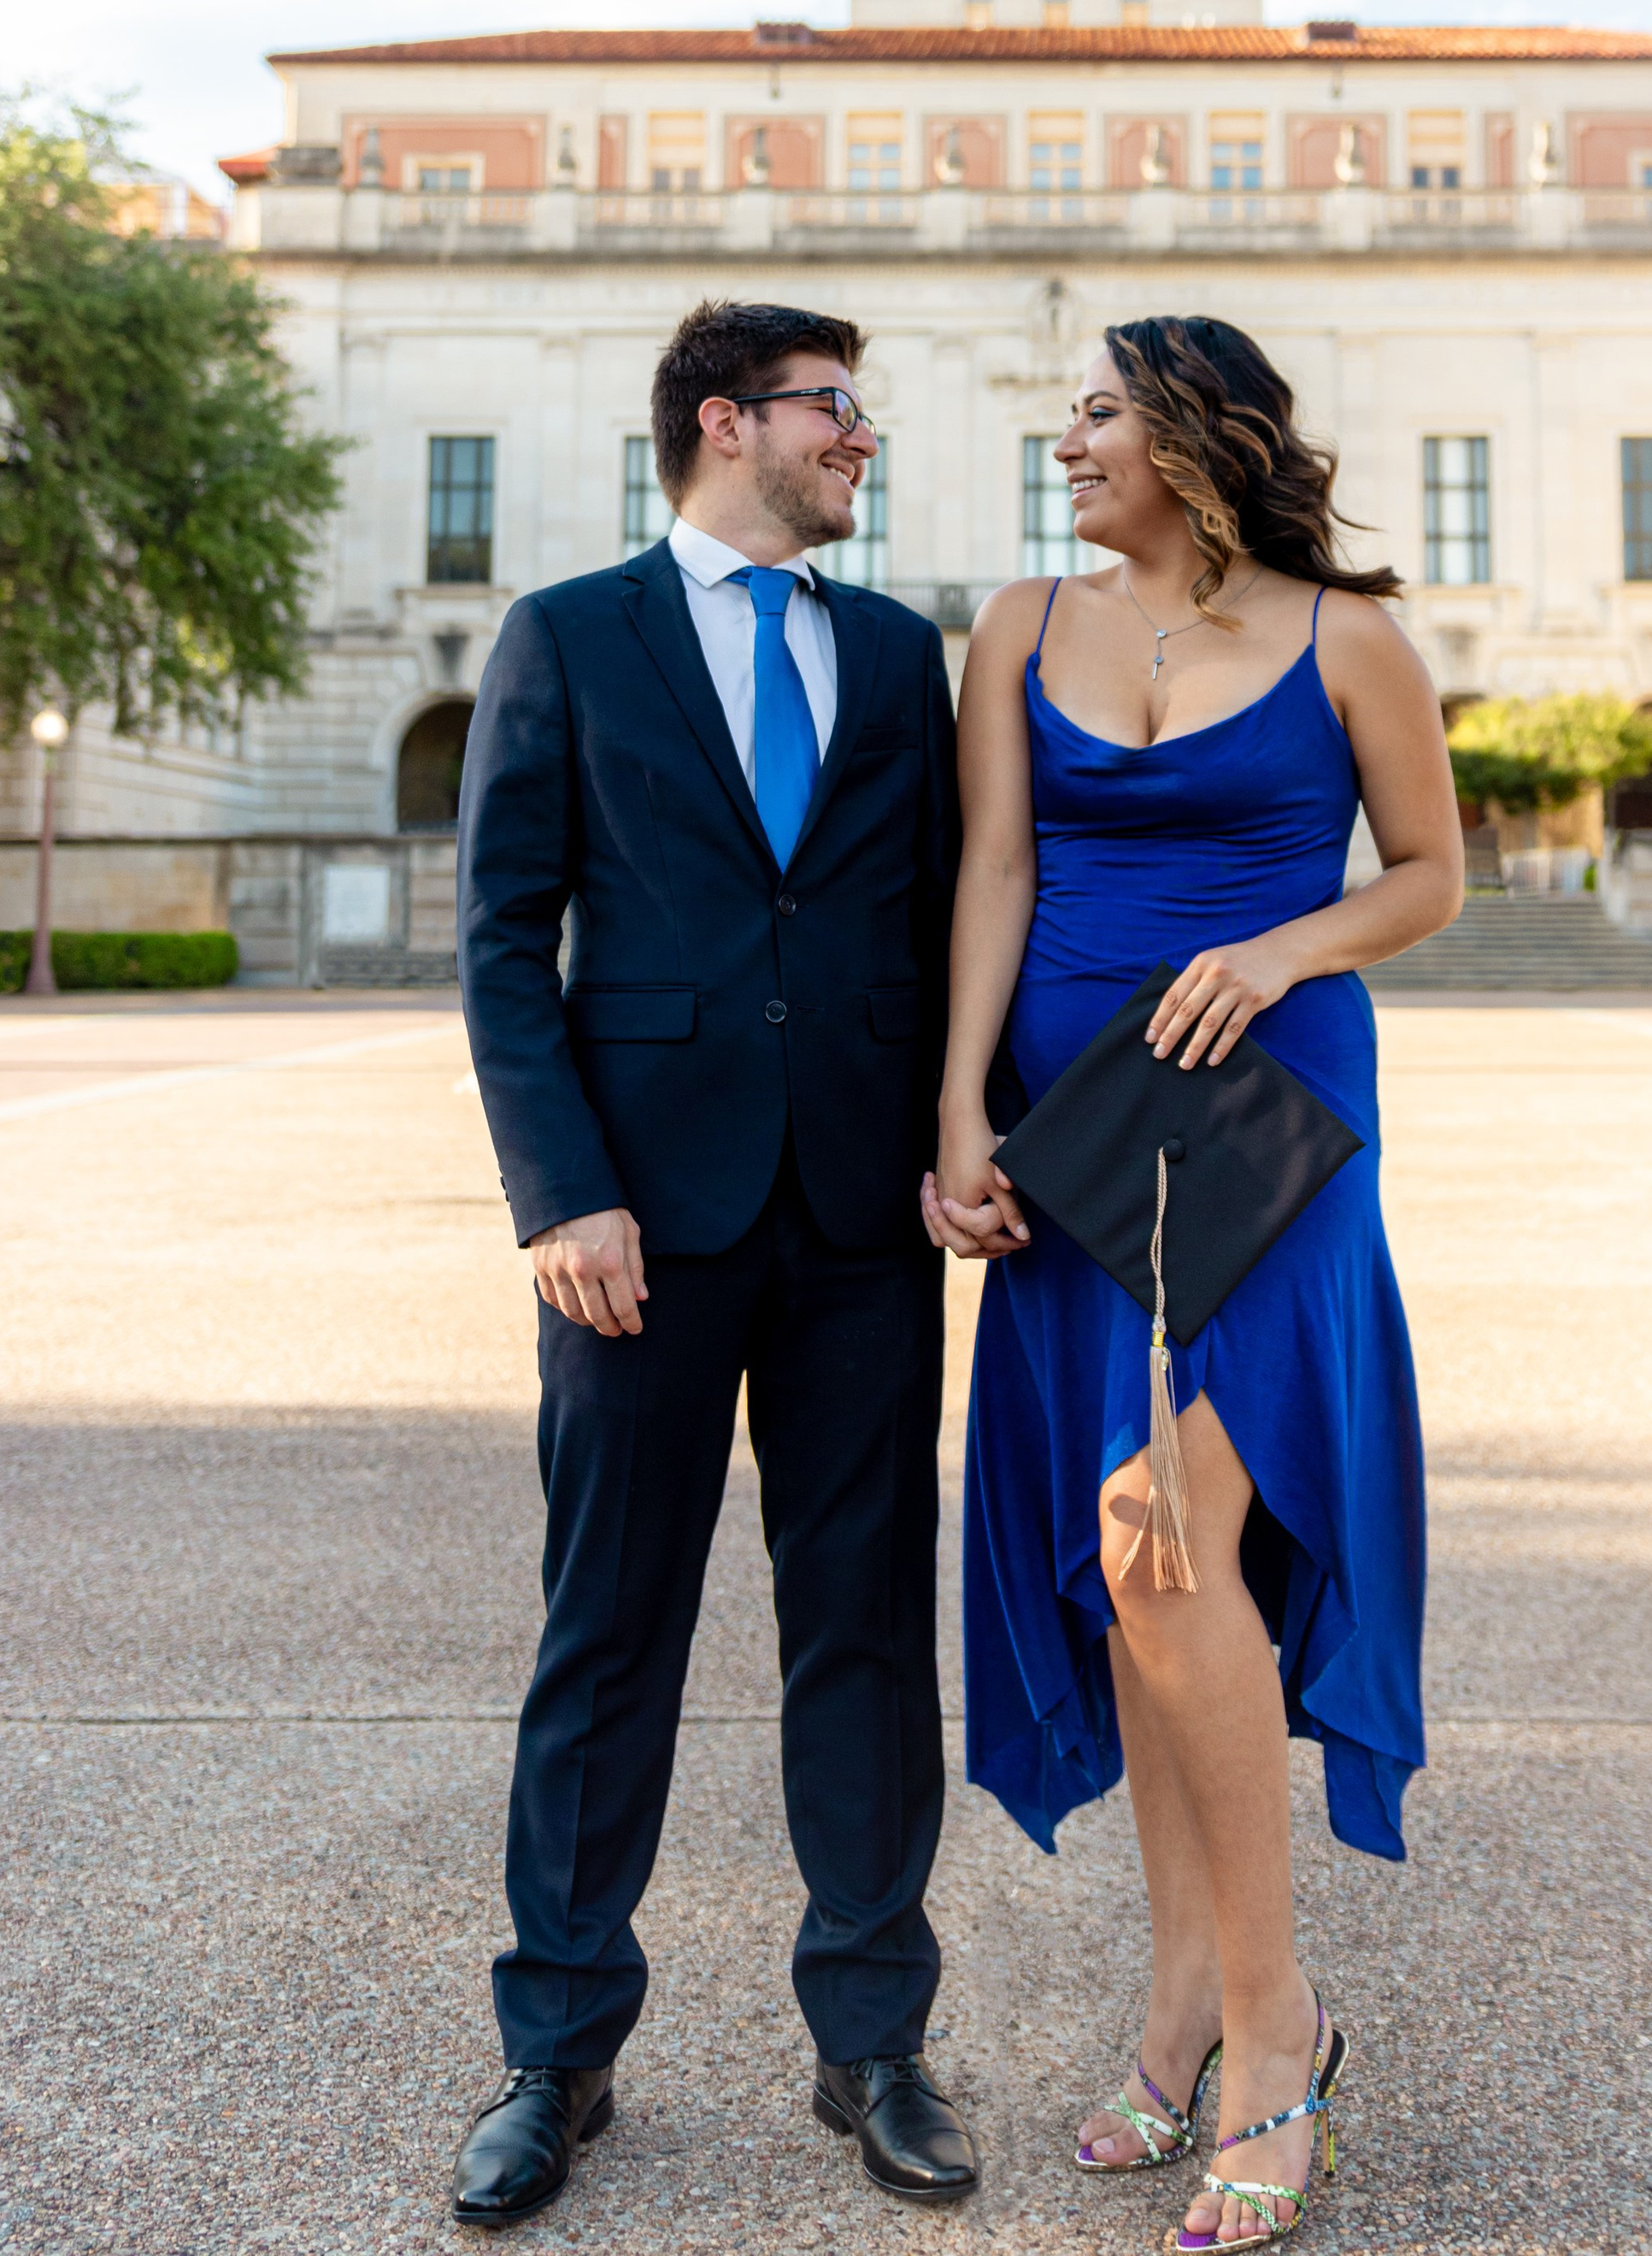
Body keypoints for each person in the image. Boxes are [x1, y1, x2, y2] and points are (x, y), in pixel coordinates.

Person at [926, 315, 1463, 2251]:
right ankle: (1174, 1993)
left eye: (1090, 414)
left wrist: (1286, 950)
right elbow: (993, 870)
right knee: (1146, 1581)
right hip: (1070, 1137)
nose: (1059, 442)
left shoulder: (1346, 639)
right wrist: (956, 1115)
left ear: (1184, 435)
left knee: (1166, 1525)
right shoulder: (1012, 624)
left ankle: (1269, 2028)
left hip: (1267, 1131)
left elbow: (1426, 876)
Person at [450, 298, 976, 2231]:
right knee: (608, 1635)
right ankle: (555, 2053)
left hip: (857, 1229)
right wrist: (558, 1191)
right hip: (631, 1237)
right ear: (719, 421)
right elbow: (508, 944)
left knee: (862, 1635)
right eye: (834, 408)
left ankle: (876, 2044)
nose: (862, 437)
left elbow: (938, 925)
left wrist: (969, 1136)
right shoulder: (567, 639)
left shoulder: (902, 656)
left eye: (858, 409)